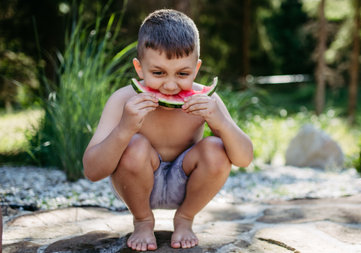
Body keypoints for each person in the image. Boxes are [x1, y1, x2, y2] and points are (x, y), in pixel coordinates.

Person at [82, 9, 253, 251]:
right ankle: (143, 221)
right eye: (158, 73)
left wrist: (220, 123)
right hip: (135, 185)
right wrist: (124, 128)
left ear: (196, 69)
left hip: (186, 185)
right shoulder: (122, 100)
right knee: (134, 144)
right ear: (139, 68)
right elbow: (91, 170)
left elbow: (244, 159)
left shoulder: (207, 101)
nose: (171, 85)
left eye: (183, 74)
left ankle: (184, 219)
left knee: (216, 147)